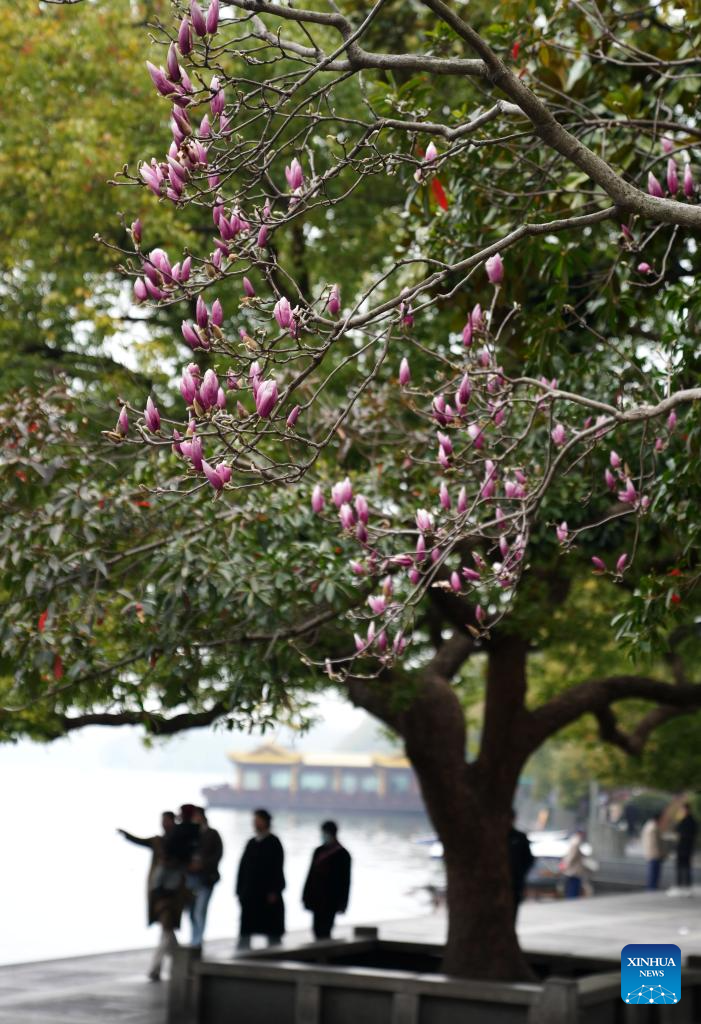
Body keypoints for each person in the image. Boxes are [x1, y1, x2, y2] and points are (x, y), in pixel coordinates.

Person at [118, 811, 189, 981]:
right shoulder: (160, 842)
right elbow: (141, 841)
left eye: (166, 821)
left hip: (168, 894)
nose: (164, 824)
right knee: (168, 933)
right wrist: (126, 835)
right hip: (161, 893)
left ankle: (156, 969)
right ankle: (181, 966)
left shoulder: (176, 846)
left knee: (166, 930)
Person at [235, 809, 285, 950]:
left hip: (267, 895)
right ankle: (243, 954)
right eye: (254, 820)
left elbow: (277, 869)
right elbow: (242, 868)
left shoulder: (274, 843)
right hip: (250, 893)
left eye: (258, 820)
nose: (255, 823)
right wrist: (239, 890)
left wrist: (274, 890)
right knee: (246, 929)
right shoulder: (251, 843)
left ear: (266, 822)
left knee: (272, 930)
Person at [302, 821, 352, 939]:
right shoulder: (318, 851)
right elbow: (310, 876)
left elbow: (346, 882)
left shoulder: (343, 854)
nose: (323, 835)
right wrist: (306, 896)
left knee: (326, 929)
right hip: (316, 898)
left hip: (331, 900)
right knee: (316, 929)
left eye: (324, 833)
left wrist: (343, 903)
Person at [187, 807, 224, 949]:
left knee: (200, 910)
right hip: (190, 879)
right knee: (191, 912)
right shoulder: (190, 834)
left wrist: (202, 865)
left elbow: (218, 855)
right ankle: (194, 938)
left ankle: (198, 941)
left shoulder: (213, 834)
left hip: (206, 878)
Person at [507, 811, 534, 919]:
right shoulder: (494, 837)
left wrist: (520, 873)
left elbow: (529, 859)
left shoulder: (520, 837)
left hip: (515, 883)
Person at [675, 802, 697, 889]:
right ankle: (685, 884)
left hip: (684, 847)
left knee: (683, 867)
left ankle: (681, 884)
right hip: (687, 847)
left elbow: (678, 830)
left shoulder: (688, 821)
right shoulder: (691, 821)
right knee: (685, 866)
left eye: (683, 810)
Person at [641, 812, 664, 890]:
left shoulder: (648, 826)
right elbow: (655, 843)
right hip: (654, 853)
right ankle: (652, 887)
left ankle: (651, 887)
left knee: (652, 872)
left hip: (649, 852)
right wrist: (660, 853)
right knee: (654, 872)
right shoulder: (654, 827)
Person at [561, 829, 587, 899]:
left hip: (573, 870)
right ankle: (572, 898)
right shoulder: (576, 842)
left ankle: (572, 897)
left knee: (573, 885)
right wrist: (566, 864)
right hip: (574, 870)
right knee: (573, 886)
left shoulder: (575, 841)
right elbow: (571, 856)